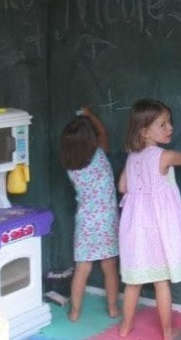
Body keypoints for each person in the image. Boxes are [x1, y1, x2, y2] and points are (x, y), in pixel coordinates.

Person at [117, 99, 181, 339]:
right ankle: (168, 332)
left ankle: (125, 326)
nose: (169, 128)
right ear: (144, 132)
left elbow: (122, 187)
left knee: (133, 282)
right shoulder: (165, 156)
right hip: (157, 228)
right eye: (162, 124)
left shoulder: (132, 158)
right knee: (161, 282)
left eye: (169, 122)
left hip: (135, 227)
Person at [59, 106, 120, 322]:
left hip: (85, 222)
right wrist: (90, 115)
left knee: (82, 269)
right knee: (109, 268)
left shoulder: (71, 170)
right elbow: (103, 133)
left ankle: (75, 312)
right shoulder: (101, 156)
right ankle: (113, 308)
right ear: (91, 142)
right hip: (106, 221)